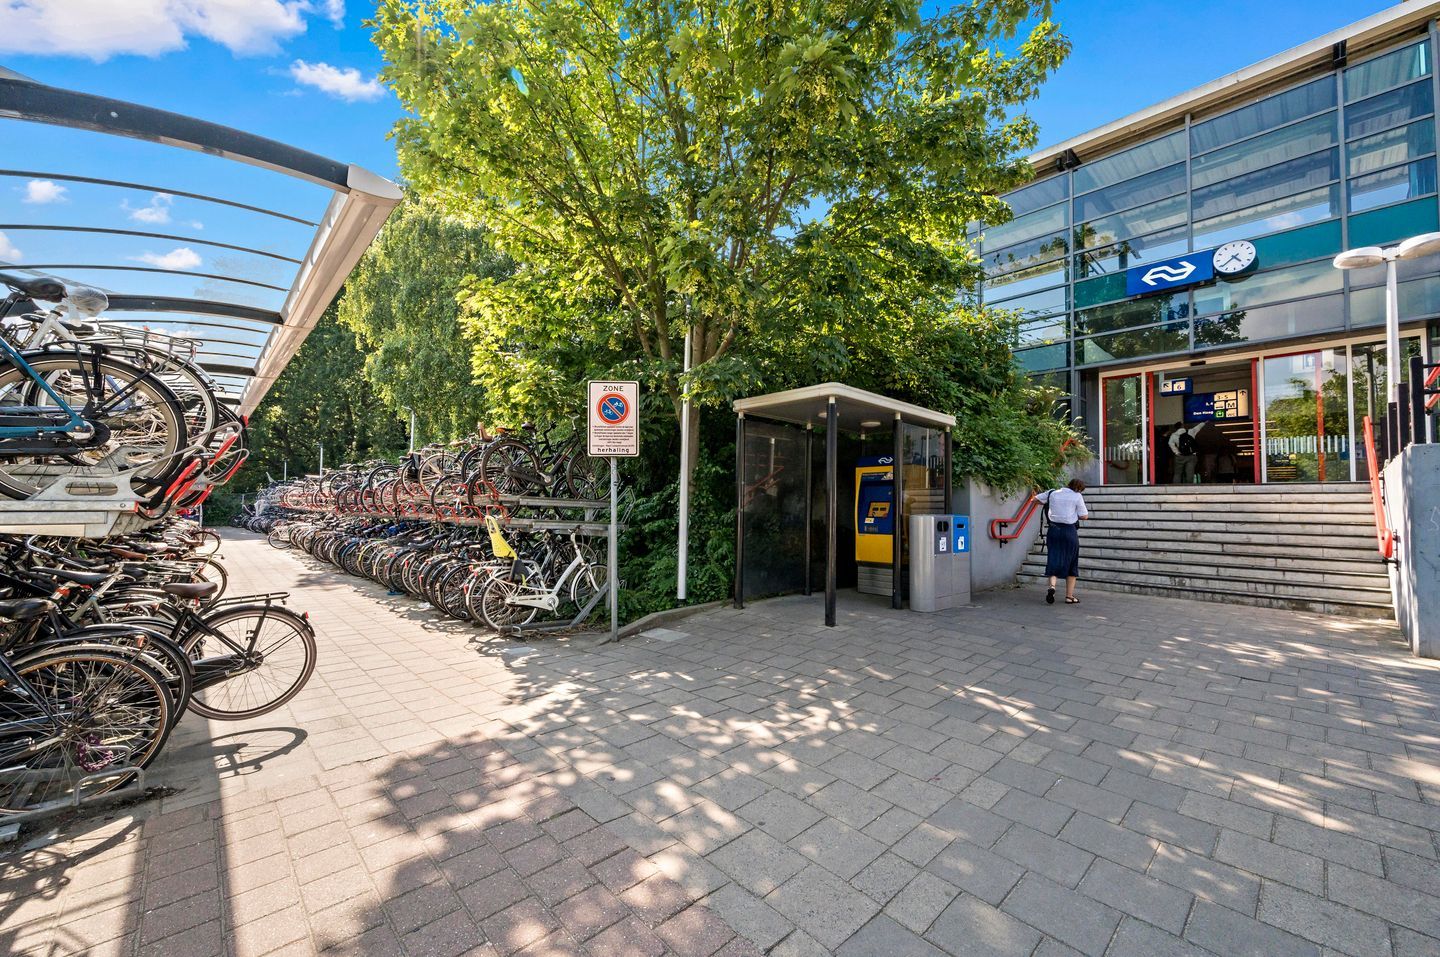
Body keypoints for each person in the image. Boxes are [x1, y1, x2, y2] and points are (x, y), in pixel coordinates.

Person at [1036, 478, 1088, 605]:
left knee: (1053, 558)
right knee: (1071, 562)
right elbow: (1084, 516)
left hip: (1053, 531)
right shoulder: (1077, 496)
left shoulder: (1052, 493)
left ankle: (1052, 587)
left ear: (1069, 484)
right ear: (1079, 489)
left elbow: (1035, 500)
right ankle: (1069, 597)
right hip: (1069, 532)